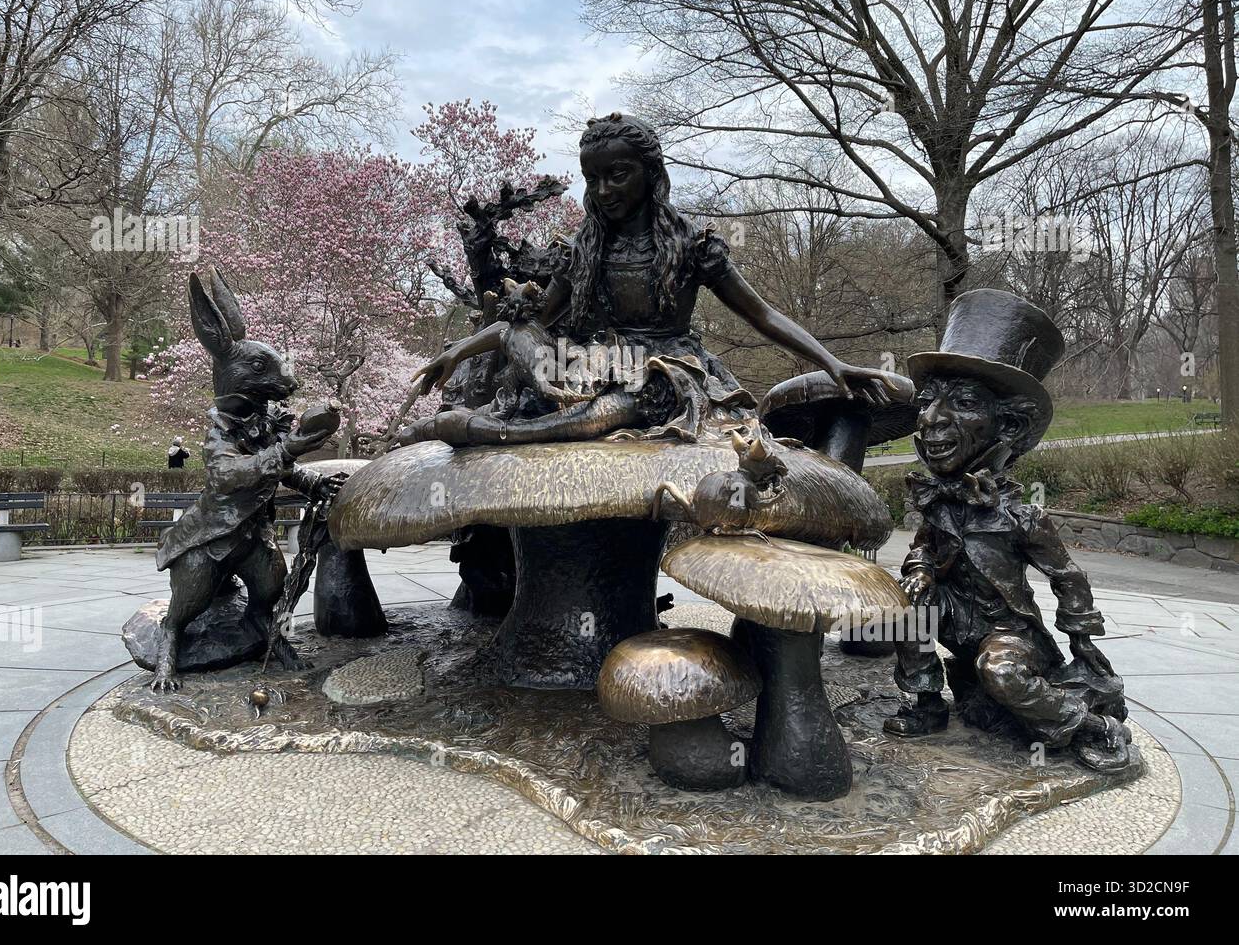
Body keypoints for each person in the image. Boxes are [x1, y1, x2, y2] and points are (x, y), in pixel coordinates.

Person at [400, 113, 896, 447]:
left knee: (600, 416)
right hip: (593, 364)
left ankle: (481, 431)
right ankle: (483, 423)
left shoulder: (692, 247)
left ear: (649, 172)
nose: (604, 190)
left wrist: (833, 363)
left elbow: (763, 314)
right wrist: (455, 353)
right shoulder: (584, 249)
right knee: (526, 342)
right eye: (593, 179)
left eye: (617, 175)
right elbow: (528, 326)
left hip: (662, 367)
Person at [883, 290, 1133, 773]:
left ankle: (1086, 725)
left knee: (999, 670)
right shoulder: (938, 501)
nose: (932, 420)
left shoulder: (1023, 516)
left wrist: (1081, 642)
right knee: (906, 605)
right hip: (955, 616)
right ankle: (926, 702)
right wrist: (920, 572)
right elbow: (923, 550)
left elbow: (1067, 575)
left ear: (1009, 425)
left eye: (964, 402)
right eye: (928, 402)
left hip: (1007, 630)